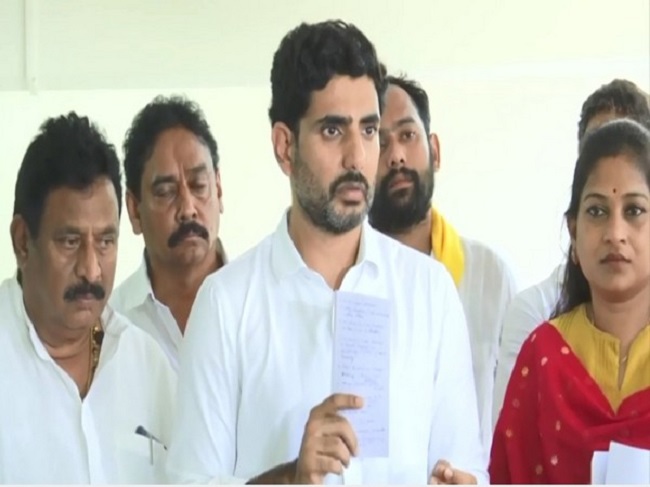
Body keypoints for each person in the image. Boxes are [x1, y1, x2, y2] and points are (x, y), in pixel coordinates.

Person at [166, 20, 486, 485]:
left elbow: (467, 466)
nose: (358, 157)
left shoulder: (430, 293)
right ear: (285, 147)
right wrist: (291, 478)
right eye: (333, 131)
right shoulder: (226, 304)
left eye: (369, 130)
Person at [0, 112, 175, 483]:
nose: (92, 270)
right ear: (23, 242)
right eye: (70, 241)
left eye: (106, 242)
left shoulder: (146, 363)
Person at [490, 118, 650, 484]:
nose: (615, 233)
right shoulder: (542, 356)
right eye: (597, 211)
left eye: (634, 210)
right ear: (574, 233)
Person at [368, 73, 519, 452]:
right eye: (380, 142)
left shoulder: (490, 277)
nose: (396, 156)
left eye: (407, 135)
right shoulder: (339, 281)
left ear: (435, 151)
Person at [110, 95, 226, 370]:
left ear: (219, 190)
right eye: (165, 192)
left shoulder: (260, 304)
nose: (188, 209)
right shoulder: (110, 325)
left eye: (199, 185)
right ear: (134, 210)